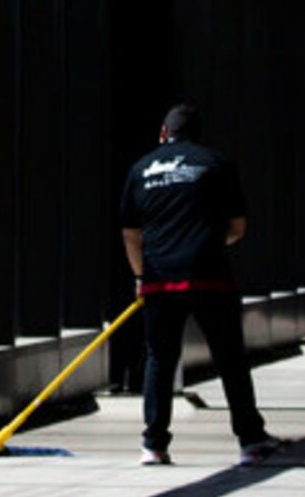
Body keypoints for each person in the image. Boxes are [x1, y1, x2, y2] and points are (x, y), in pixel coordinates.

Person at [119, 102, 281, 467]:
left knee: (160, 359)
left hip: (159, 281)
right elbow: (237, 228)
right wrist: (204, 243)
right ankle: (251, 440)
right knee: (230, 358)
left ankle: (154, 444)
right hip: (210, 277)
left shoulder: (140, 169)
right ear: (197, 135)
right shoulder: (216, 164)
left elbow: (131, 234)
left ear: (163, 133)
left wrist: (141, 276)